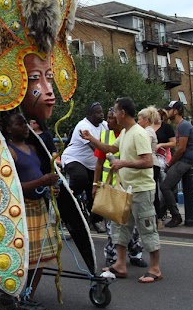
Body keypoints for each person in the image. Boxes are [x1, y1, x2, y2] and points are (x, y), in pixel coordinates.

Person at [0, 112, 61, 310]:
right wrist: (42, 181)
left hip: (38, 208)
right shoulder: (9, 152)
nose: (26, 126)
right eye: (20, 124)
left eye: (26, 123)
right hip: (20, 211)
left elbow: (40, 177)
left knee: (40, 259)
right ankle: (9, 299)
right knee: (19, 259)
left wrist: (50, 187)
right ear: (9, 129)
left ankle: (27, 297)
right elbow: (12, 186)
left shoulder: (33, 148)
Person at [102, 98, 162, 282]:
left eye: (114, 110)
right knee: (121, 227)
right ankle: (120, 264)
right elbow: (111, 148)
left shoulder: (138, 134)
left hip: (142, 189)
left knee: (147, 227)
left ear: (123, 113)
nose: (112, 114)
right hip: (127, 189)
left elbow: (148, 161)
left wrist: (123, 163)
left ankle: (155, 269)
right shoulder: (126, 133)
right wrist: (90, 140)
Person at [81, 106, 146, 269]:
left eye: (111, 118)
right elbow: (99, 163)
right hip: (109, 186)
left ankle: (134, 252)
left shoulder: (131, 134)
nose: (108, 121)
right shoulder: (106, 135)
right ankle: (112, 255)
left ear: (119, 118)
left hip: (128, 185)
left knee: (130, 222)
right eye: (108, 118)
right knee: (113, 223)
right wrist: (95, 185)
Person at [60, 103, 107, 226]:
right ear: (90, 115)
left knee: (96, 191)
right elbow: (95, 149)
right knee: (81, 178)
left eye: (102, 112)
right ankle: (68, 200)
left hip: (91, 164)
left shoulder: (104, 125)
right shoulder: (83, 126)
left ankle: (95, 220)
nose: (101, 114)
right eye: (98, 112)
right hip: (74, 159)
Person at [158, 100, 193, 227]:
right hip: (184, 160)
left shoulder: (183, 126)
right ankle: (160, 213)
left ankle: (176, 216)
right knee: (171, 187)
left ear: (175, 111)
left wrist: (170, 164)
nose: (167, 112)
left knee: (165, 186)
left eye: (169, 110)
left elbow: (181, 148)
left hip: (185, 160)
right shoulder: (180, 125)